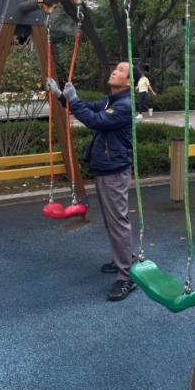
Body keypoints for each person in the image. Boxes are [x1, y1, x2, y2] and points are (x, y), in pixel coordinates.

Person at [46, 62, 142, 302]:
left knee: (117, 221)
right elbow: (87, 108)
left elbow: (94, 120)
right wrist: (61, 96)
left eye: (121, 70)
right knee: (112, 220)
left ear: (129, 82)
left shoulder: (125, 105)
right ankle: (124, 259)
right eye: (116, 68)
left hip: (114, 170)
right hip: (105, 167)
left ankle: (127, 275)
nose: (114, 71)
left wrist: (73, 99)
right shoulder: (110, 100)